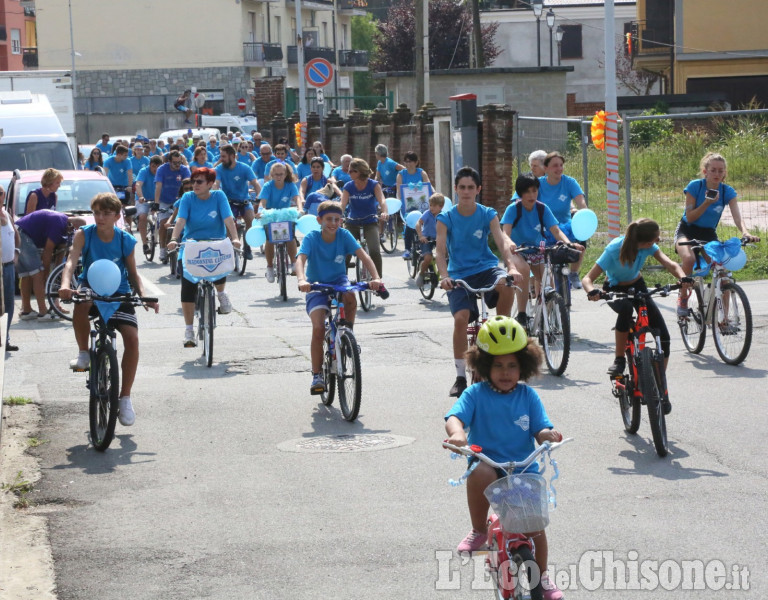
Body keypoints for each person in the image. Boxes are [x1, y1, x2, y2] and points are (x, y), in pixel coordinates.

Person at [444, 315, 564, 600]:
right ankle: (478, 531)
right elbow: (454, 417)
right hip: (491, 465)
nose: (505, 372)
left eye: (512, 365)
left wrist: (547, 434)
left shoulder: (528, 396)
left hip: (523, 469)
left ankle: (543, 577)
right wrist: (458, 434)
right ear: (484, 365)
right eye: (497, 365)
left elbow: (540, 428)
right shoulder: (475, 393)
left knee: (535, 527)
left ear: (524, 365)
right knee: (481, 471)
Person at [58, 193, 159, 427]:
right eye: (96, 212)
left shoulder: (125, 240)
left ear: (116, 216)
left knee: (132, 339)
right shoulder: (85, 234)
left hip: (118, 289)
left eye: (105, 213)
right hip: (91, 285)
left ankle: (125, 398)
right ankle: (84, 352)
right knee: (81, 304)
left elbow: (133, 273)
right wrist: (65, 285)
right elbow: (71, 261)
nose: (100, 217)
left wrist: (143, 296)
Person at [581, 218, 690, 414]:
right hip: (614, 290)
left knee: (663, 336)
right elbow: (587, 278)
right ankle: (620, 359)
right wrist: (592, 291)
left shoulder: (649, 247)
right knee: (625, 310)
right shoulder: (615, 249)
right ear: (646, 241)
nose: (658, 241)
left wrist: (683, 277)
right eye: (656, 238)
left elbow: (670, 264)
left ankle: (657, 386)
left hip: (637, 286)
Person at [436, 166, 522, 397]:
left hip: (486, 268)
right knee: (461, 319)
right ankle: (461, 377)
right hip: (459, 275)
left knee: (506, 283)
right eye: (462, 187)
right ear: (455, 190)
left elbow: (501, 241)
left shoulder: (487, 213)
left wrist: (511, 266)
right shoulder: (446, 218)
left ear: (478, 190)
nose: (466, 191)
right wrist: (445, 277)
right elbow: (440, 251)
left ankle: (501, 330)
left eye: (470, 187)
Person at [296, 200, 382, 394]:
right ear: (319, 220)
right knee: (318, 328)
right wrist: (302, 280)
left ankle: (347, 334)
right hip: (316, 285)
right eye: (328, 219)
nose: (333, 223)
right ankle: (317, 375)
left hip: (338, 280)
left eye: (337, 219)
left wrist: (375, 277)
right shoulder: (312, 237)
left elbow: (364, 256)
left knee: (350, 294)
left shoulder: (344, 235)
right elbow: (300, 259)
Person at [674, 151, 760, 315]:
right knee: (689, 258)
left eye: (721, 171)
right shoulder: (695, 186)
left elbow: (737, 217)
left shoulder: (727, 191)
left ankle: (724, 319)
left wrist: (746, 232)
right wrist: (707, 203)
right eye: (713, 170)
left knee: (722, 271)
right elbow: (690, 217)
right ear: (705, 171)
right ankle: (683, 297)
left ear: (725, 173)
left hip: (708, 234)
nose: (717, 174)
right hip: (687, 230)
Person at [166, 168, 242, 346]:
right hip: (192, 244)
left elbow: (228, 218)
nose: (195, 185)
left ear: (210, 184)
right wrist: (174, 239)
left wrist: (235, 238)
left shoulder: (219, 196)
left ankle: (221, 294)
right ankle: (189, 330)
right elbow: (181, 220)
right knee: (188, 286)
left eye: (199, 182)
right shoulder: (187, 198)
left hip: (215, 242)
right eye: (193, 181)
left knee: (222, 258)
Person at [501, 175, 583, 328]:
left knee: (548, 282)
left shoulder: (542, 208)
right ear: (520, 194)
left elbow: (556, 230)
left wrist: (570, 244)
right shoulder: (513, 209)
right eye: (527, 192)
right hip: (518, 251)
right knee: (524, 270)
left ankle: (548, 319)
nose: (532, 195)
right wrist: (510, 242)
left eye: (534, 191)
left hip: (537, 250)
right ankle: (522, 314)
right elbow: (505, 233)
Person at [16, 210, 86, 320]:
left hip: (22, 232)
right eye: (76, 230)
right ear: (72, 226)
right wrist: (46, 272)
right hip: (22, 234)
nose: (75, 232)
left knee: (27, 274)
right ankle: (43, 313)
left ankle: (27, 311)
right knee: (37, 273)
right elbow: (48, 251)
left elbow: (62, 250)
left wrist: (56, 275)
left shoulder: (66, 226)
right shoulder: (58, 223)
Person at [538, 151, 587, 289]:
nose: (559, 168)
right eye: (554, 165)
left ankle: (574, 273)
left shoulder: (569, 182)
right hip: (544, 227)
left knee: (580, 241)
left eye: (561, 165)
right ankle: (539, 278)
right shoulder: (538, 184)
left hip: (565, 226)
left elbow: (581, 202)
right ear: (546, 168)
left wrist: (584, 214)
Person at [339, 158, 388, 278]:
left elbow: (381, 199)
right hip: (352, 222)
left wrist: (384, 212)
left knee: (374, 251)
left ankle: (378, 280)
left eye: (351, 171)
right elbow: (342, 204)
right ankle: (341, 279)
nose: (348, 173)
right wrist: (339, 216)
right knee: (344, 251)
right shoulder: (348, 186)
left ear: (359, 171)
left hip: (370, 222)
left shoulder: (373, 185)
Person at [215, 144, 261, 261]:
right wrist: (214, 193)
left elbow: (255, 183)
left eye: (224, 156)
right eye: (221, 156)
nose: (221, 159)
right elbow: (216, 184)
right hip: (228, 202)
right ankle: (227, 250)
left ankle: (247, 247)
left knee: (250, 220)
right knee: (228, 226)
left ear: (232, 156)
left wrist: (259, 197)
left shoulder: (244, 167)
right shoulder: (220, 168)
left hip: (244, 201)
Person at [258, 162, 302, 281]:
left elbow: (297, 198)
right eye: (276, 174)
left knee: (290, 237)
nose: (279, 176)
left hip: (286, 215)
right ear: (272, 174)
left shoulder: (290, 185)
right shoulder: (268, 185)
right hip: (271, 216)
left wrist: (300, 209)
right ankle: (270, 267)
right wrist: (261, 210)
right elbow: (263, 201)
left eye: (281, 174)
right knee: (270, 240)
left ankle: (294, 263)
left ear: (286, 174)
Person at [154, 150, 192, 262]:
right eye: (175, 163)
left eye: (179, 162)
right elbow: (158, 186)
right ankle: (162, 249)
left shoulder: (184, 170)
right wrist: (156, 203)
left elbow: (188, 184)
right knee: (163, 223)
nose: (177, 165)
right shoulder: (162, 169)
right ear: (169, 161)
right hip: (165, 200)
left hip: (180, 199)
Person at [395, 151, 431, 259]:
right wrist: (404, 201)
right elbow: (399, 191)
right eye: (406, 161)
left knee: (427, 221)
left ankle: (426, 246)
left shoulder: (421, 173)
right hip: (408, 205)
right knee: (410, 223)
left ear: (416, 162)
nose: (407, 163)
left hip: (422, 204)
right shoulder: (401, 174)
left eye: (410, 161)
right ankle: (407, 249)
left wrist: (434, 194)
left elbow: (428, 186)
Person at [0, 191, 20, 351]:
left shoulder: (7, 214)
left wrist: (16, 253)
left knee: (9, 304)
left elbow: (16, 236)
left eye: (0, 193)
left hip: (8, 267)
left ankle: (5, 339)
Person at [414, 193, 445, 288]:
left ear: (441, 206)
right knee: (428, 258)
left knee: (446, 255)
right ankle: (421, 273)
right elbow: (418, 223)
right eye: (430, 205)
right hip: (427, 239)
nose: (431, 208)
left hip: (439, 238)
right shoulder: (427, 214)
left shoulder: (443, 215)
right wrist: (421, 236)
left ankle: (444, 275)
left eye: (434, 206)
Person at [134, 156, 164, 255]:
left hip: (157, 199)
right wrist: (141, 196)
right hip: (144, 200)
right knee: (142, 217)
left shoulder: (163, 172)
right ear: (150, 165)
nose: (155, 169)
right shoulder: (144, 171)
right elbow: (138, 185)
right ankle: (145, 244)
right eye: (153, 166)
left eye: (158, 167)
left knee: (163, 218)